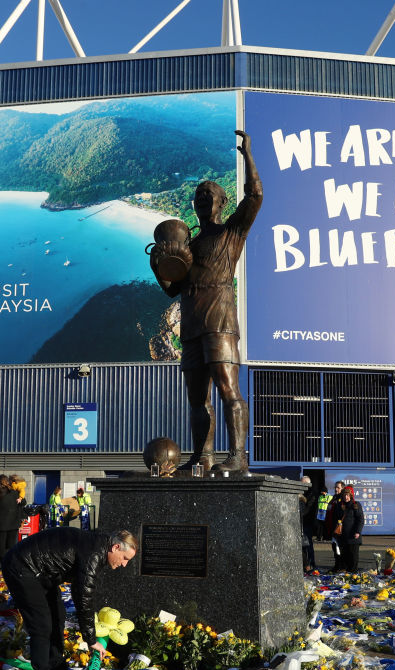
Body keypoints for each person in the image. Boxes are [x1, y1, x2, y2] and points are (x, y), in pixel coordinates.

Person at [152, 131, 262, 473]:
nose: (202, 199)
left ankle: (238, 457)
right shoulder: (190, 245)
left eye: (209, 195)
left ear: (221, 203)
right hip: (192, 325)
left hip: (221, 321)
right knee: (197, 400)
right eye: (198, 195)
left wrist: (247, 156)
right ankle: (202, 456)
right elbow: (173, 289)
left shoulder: (231, 233)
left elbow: (255, 195)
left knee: (229, 389)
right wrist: (158, 266)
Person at [1, 527, 137, 670]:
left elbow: (79, 590)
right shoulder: (95, 553)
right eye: (125, 558)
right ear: (116, 547)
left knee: (58, 616)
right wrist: (91, 640)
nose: (124, 564)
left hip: (42, 573)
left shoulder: (99, 547)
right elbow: (83, 597)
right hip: (21, 567)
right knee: (41, 626)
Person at [0, 475, 23, 564]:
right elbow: (23, 503)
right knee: (11, 547)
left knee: (1, 549)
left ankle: (4, 566)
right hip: (13, 524)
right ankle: (11, 566)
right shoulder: (14, 493)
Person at [334, 485, 364, 573]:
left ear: (351, 495)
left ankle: (353, 573)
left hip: (353, 536)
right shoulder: (339, 505)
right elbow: (335, 518)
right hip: (342, 536)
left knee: (353, 557)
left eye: (347, 495)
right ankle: (346, 574)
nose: (346, 497)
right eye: (344, 495)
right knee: (344, 556)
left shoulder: (356, 505)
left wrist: (358, 531)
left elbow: (360, 519)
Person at [299, 476, 319, 572]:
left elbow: (308, 510)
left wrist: (300, 513)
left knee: (308, 544)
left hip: (307, 523)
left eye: (302, 483)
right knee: (302, 545)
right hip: (302, 522)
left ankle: (311, 564)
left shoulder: (312, 495)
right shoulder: (302, 494)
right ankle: (305, 564)